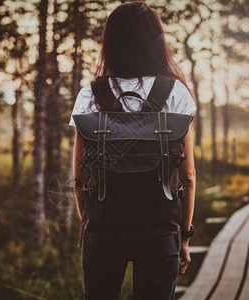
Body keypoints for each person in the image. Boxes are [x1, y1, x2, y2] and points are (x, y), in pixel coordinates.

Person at [68, 2, 196, 299]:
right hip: (160, 230)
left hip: (103, 230)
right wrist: (184, 238)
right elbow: (187, 176)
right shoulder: (176, 92)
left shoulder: (90, 94)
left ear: (110, 42)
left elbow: (78, 178)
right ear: (156, 42)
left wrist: (89, 224)